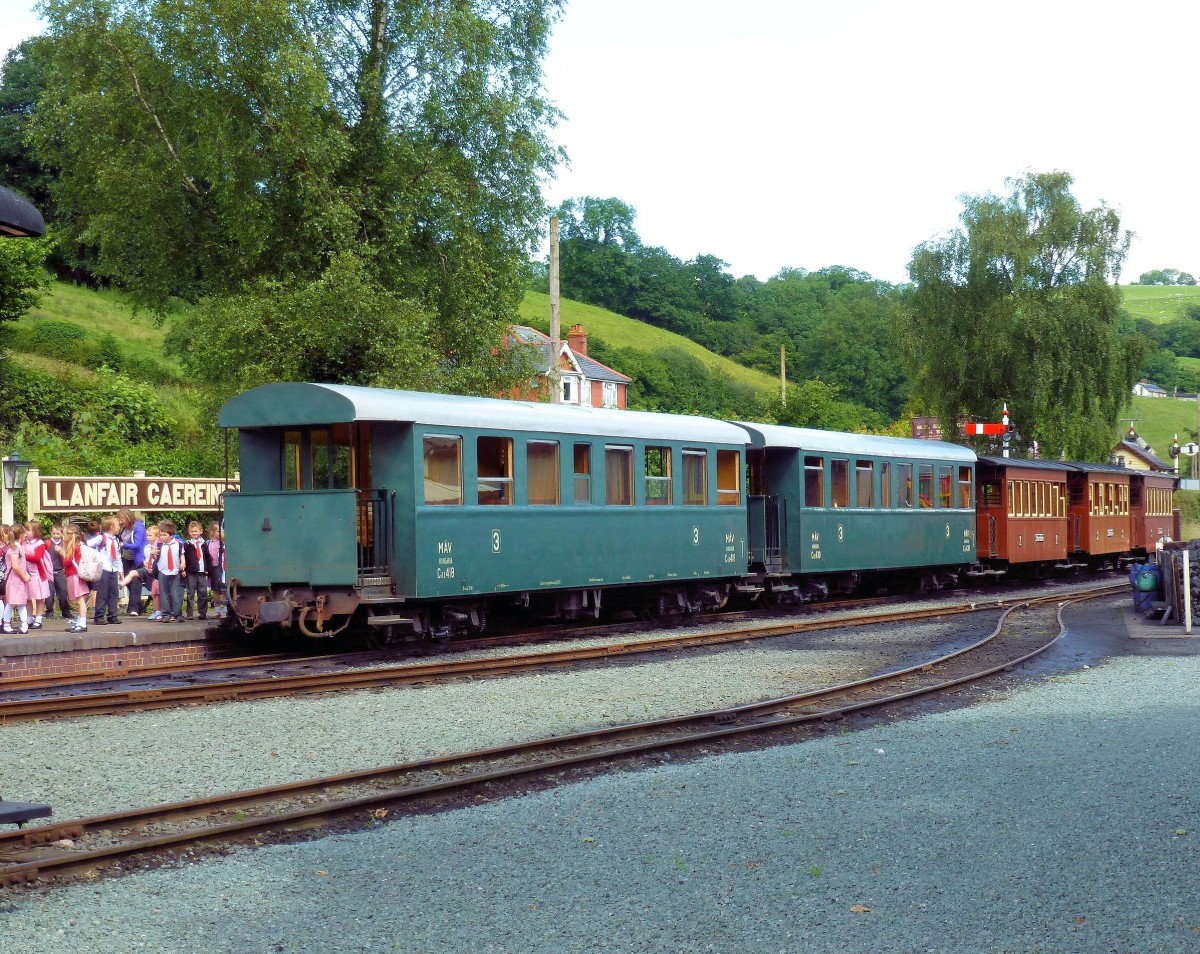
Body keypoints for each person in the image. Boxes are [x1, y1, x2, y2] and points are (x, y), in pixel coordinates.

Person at [117, 509, 147, 616]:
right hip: (125, 557)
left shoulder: (139, 527)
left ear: (128, 517)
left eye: (122, 519)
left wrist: (123, 545)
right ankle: (139, 607)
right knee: (127, 581)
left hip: (137, 558)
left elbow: (138, 544)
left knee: (135, 581)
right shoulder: (122, 528)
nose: (120, 522)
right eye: (119, 520)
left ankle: (133, 608)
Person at [3, 524, 32, 635]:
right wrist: (24, 576)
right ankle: (21, 625)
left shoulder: (12, 547)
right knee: (15, 603)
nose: (26, 535)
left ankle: (9, 624)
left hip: (13, 580)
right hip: (16, 580)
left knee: (15, 603)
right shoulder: (16, 548)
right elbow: (15, 565)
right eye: (24, 533)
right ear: (20, 534)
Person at [93, 514, 122, 626]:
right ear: (111, 527)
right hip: (103, 568)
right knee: (102, 594)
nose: (119, 527)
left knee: (114, 593)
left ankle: (112, 615)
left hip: (113, 569)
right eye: (117, 525)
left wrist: (120, 570)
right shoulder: (102, 538)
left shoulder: (116, 540)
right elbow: (88, 544)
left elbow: (118, 555)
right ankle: (99, 616)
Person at [62, 526, 90, 633]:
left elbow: (66, 562)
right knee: (79, 600)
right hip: (75, 575)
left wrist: (63, 553)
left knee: (80, 600)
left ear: (70, 535)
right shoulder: (77, 546)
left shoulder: (74, 547)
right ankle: (79, 622)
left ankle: (82, 624)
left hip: (74, 575)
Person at [23, 522, 50, 630]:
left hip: (38, 574)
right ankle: (29, 619)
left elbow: (37, 558)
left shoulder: (40, 543)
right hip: (26, 573)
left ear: (35, 532)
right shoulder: (24, 543)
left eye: (28, 530)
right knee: (28, 597)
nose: (25, 532)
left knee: (39, 597)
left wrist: (23, 555)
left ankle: (38, 620)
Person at [156, 520, 183, 622]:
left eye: (164, 535)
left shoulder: (178, 545)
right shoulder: (159, 546)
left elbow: (182, 555)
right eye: (161, 535)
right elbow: (155, 558)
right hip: (163, 571)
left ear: (171, 535)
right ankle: (166, 614)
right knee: (164, 594)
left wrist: (183, 563)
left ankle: (177, 614)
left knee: (176, 594)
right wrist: (153, 555)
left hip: (175, 572)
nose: (162, 537)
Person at [182, 520, 209, 620]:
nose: (194, 533)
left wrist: (208, 568)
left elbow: (207, 557)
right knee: (190, 593)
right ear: (189, 532)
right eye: (192, 531)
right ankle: (189, 613)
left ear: (201, 531)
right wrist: (183, 570)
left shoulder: (204, 544)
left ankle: (203, 613)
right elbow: (183, 557)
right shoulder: (187, 544)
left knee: (202, 593)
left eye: (196, 531)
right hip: (191, 572)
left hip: (202, 571)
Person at [45, 523, 70, 619]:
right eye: (54, 533)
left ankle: (65, 611)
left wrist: (61, 551)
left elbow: (67, 556)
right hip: (49, 571)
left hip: (60, 571)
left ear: (61, 534)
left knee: (63, 592)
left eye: (58, 534)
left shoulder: (64, 543)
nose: (55, 536)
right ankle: (49, 611)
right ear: (51, 533)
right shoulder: (47, 543)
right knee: (49, 593)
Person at [206, 522, 226, 619]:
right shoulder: (208, 543)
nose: (220, 533)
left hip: (221, 567)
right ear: (212, 532)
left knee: (224, 589)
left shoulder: (223, 543)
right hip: (213, 568)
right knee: (215, 590)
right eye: (218, 531)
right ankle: (217, 609)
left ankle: (226, 610)